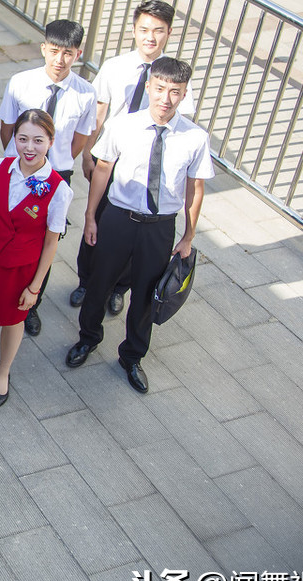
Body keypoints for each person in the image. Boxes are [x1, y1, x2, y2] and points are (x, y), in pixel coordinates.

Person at [65, 57, 213, 394]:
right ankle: (88, 338)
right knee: (99, 283)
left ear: (184, 93)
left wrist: (188, 236)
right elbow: (102, 169)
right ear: (149, 87)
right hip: (118, 217)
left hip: (159, 226)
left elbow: (195, 188)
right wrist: (90, 216)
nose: (165, 98)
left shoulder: (195, 138)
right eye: (160, 89)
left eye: (175, 92)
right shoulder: (124, 125)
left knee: (147, 294)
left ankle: (132, 356)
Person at [71, 0, 198, 312]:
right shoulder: (115, 67)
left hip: (147, 166)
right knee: (96, 223)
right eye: (144, 29)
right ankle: (86, 281)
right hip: (111, 158)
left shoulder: (175, 76)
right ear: (134, 30)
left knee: (136, 234)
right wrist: (89, 154)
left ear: (169, 33)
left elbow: (184, 120)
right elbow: (98, 114)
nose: (150, 37)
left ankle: (119, 288)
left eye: (158, 31)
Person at [0, 111, 72, 407]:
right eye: (22, 139)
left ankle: (2, 373)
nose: (29, 147)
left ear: (50, 142)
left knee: (12, 321)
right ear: (14, 139)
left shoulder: (59, 189)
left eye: (37, 140)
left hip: (21, 268)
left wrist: (35, 287)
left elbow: (50, 243)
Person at [0, 19, 96, 337]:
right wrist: (20, 161)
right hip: (19, 168)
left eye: (68, 53)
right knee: (2, 231)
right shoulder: (21, 82)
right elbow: (7, 129)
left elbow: (80, 139)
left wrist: (56, 165)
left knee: (46, 242)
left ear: (78, 53)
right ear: (43, 49)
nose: (59, 59)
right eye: (54, 51)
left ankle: (31, 305)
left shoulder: (85, 93)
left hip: (57, 174)